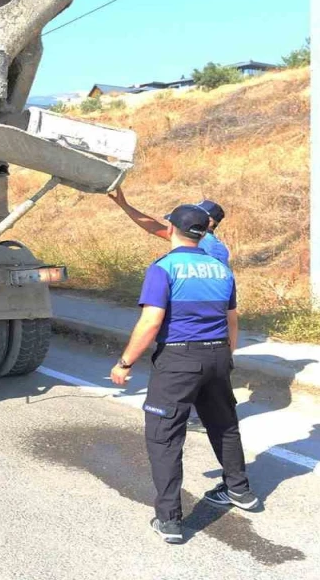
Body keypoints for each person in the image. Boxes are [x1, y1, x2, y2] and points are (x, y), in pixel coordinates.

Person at [109, 204, 258, 544]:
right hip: (218, 353)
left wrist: (125, 362)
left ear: (172, 228)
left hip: (179, 359)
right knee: (224, 424)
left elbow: (151, 322)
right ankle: (240, 490)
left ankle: (170, 520)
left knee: (164, 437)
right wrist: (227, 355)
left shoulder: (164, 268)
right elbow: (232, 319)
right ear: (203, 231)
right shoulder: (220, 269)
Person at [110, 189, 232, 432]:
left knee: (178, 387)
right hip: (214, 327)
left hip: (185, 331)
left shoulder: (199, 244)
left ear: (207, 222)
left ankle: (183, 417)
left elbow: (154, 227)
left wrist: (124, 204)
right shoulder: (218, 248)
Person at [109, 189, 231, 266]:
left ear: (209, 222)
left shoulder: (202, 241)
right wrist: (125, 206)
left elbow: (154, 228)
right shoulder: (201, 240)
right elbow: (153, 227)